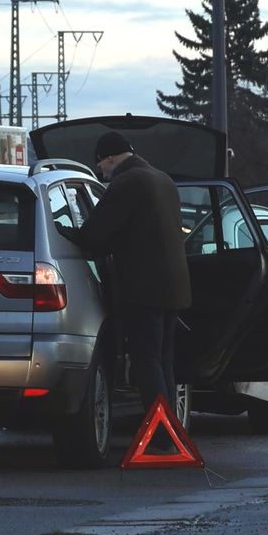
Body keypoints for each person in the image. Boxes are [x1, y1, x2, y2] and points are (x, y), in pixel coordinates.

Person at [73, 129, 191, 423]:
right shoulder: (163, 180)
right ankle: (171, 429)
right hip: (175, 288)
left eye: (101, 164)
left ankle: (161, 432)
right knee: (164, 361)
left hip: (144, 289)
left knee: (146, 362)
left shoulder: (127, 182)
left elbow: (95, 234)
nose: (101, 171)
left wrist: (67, 234)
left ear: (110, 158)